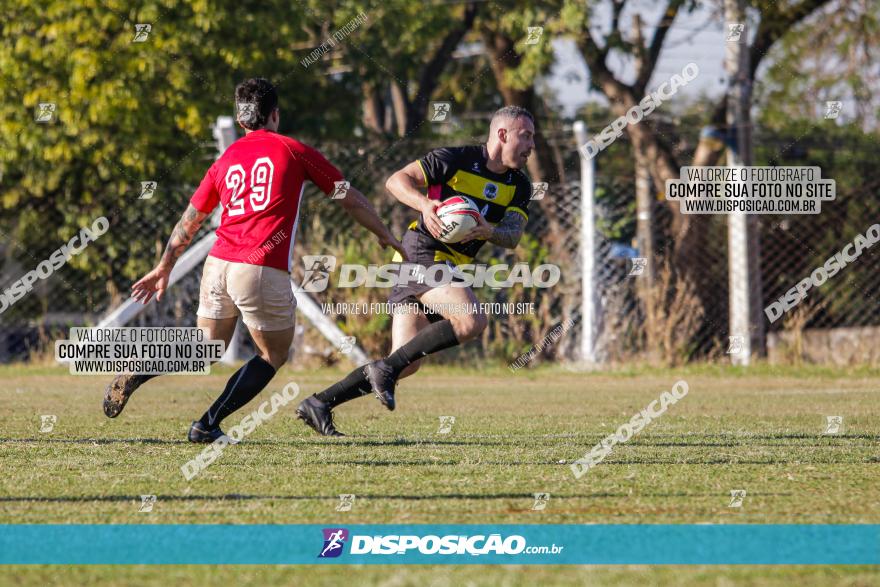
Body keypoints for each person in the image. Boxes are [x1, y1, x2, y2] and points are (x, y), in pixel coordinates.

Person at [103, 77, 404, 443]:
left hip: (217, 264)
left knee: (203, 347)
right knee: (273, 353)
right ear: (275, 114)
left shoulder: (225, 160)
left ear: (241, 119)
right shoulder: (294, 150)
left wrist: (165, 265)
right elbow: (350, 198)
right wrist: (385, 234)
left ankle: (140, 369)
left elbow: (191, 219)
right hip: (258, 267)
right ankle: (206, 425)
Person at [296, 106, 535, 436]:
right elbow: (396, 181)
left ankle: (320, 403)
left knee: (403, 362)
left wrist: (487, 232)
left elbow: (512, 235)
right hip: (420, 252)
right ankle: (382, 372)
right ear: (502, 134)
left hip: (450, 267)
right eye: (526, 136)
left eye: (533, 138)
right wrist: (425, 204)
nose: (531, 145)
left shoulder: (520, 185)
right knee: (471, 320)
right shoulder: (455, 159)